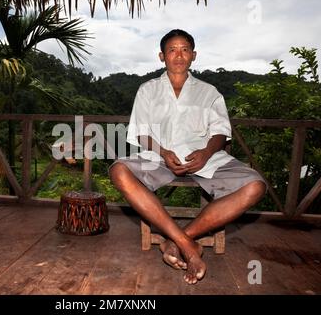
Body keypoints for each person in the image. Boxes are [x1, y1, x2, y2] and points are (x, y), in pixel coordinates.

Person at [109, 29, 267, 285]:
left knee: (255, 186)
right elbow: (141, 133)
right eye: (172, 50)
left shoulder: (209, 92)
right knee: (118, 170)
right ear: (162, 56)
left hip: (203, 159)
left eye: (184, 49)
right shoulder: (147, 90)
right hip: (159, 156)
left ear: (193, 55)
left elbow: (220, 132)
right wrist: (163, 151)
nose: (178, 55)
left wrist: (206, 153)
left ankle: (177, 240)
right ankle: (188, 245)